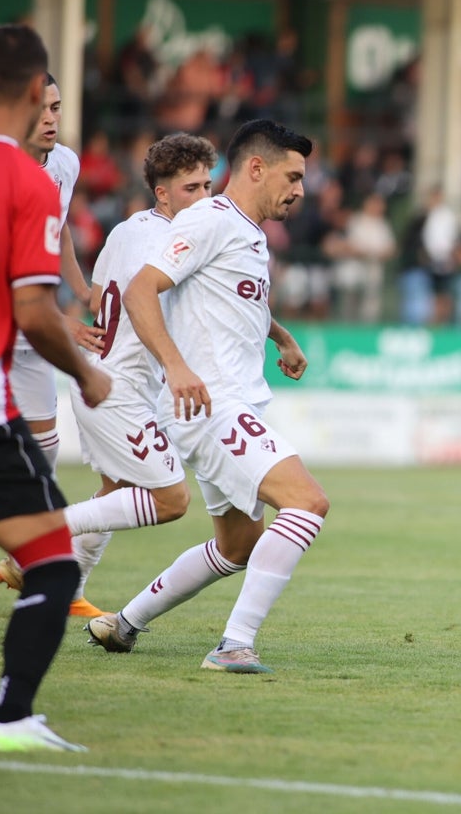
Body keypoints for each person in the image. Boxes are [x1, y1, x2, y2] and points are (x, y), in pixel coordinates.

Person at [85, 119, 329, 675]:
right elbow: (143, 289)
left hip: (229, 402)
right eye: (293, 176)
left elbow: (237, 301)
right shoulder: (210, 220)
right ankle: (233, 644)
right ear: (256, 167)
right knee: (308, 503)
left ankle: (124, 623)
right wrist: (176, 367)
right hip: (213, 405)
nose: (300, 189)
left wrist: (282, 337)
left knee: (237, 545)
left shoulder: (249, 231)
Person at [0, 23, 112, 751]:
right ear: (39, 89)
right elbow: (33, 312)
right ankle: (12, 721)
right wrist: (87, 370)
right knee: (52, 563)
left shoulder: (52, 170)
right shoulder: (26, 180)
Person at [53, 134, 218, 610]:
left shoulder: (126, 229)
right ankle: (38, 532)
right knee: (170, 500)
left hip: (99, 378)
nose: (204, 197)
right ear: (162, 193)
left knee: (117, 491)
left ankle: (70, 589)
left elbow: (95, 293)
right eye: (191, 188)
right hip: (117, 388)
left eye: (208, 185)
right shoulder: (173, 242)